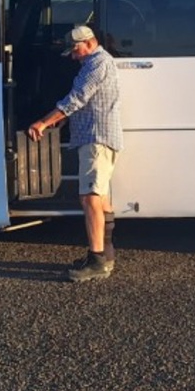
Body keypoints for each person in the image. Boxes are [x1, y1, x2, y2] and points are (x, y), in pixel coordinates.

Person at [28, 25, 122, 282]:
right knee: (100, 197)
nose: (73, 55)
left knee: (89, 198)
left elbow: (76, 99)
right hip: (97, 137)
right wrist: (65, 120)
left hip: (96, 138)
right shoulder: (97, 63)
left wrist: (45, 121)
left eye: (75, 49)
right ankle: (106, 255)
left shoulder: (96, 64)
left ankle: (97, 260)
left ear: (89, 42)